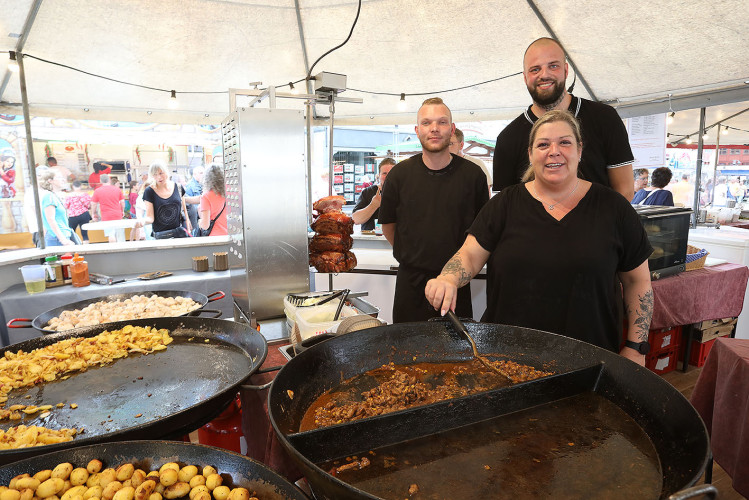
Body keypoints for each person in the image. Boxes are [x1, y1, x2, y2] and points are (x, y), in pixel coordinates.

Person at [425, 110, 653, 365]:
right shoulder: (504, 204)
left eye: (564, 142)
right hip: (506, 360)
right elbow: (469, 255)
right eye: (543, 144)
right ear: (531, 154)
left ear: (579, 150)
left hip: (590, 362)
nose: (553, 151)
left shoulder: (614, 208)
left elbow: (638, 282)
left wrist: (636, 347)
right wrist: (448, 278)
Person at [379, 97, 489, 323]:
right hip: (410, 286)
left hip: (456, 286)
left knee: (458, 357)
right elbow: (389, 227)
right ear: (417, 130)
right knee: (404, 355)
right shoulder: (398, 176)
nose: (434, 129)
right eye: (427, 123)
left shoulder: (473, 176)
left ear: (452, 128)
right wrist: (415, 253)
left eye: (442, 122)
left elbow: (482, 232)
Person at [493, 38, 634, 201]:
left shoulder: (604, 118)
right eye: (535, 69)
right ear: (525, 78)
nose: (544, 75)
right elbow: (504, 207)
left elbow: (625, 191)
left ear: (566, 71)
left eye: (553, 66)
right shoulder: (508, 139)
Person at [139, 161, 191, 239]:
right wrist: (142, 222)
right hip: (161, 235)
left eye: (161, 173)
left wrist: (188, 227)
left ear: (166, 171)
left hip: (179, 234)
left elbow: (184, 211)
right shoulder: (149, 191)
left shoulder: (178, 187)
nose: (159, 177)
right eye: (155, 174)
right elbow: (150, 217)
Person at [352, 158, 395, 231]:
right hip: (371, 240)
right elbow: (355, 220)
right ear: (379, 176)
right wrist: (373, 205)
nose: (388, 176)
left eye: (392, 173)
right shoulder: (368, 192)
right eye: (384, 173)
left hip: (396, 240)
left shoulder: (404, 192)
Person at [38, 170, 79, 247]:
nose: (63, 179)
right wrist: (63, 240)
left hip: (60, 236)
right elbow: (50, 219)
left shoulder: (52, 196)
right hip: (58, 238)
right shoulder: (49, 196)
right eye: (59, 177)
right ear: (50, 181)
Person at [91, 173, 125, 242]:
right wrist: (122, 210)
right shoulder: (117, 189)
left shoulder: (97, 191)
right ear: (109, 180)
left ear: (100, 181)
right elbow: (122, 202)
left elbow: (93, 204)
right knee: (120, 234)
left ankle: (113, 250)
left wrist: (93, 213)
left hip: (106, 215)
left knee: (111, 234)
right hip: (117, 214)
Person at [197, 164, 227, 236]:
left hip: (214, 237)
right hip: (228, 235)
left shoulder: (206, 196)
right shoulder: (229, 193)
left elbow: (205, 225)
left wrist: (199, 221)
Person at [183, 166, 205, 236]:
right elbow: (188, 206)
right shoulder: (190, 186)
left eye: (203, 173)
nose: (203, 174)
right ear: (195, 174)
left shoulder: (202, 184)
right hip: (195, 218)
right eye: (201, 173)